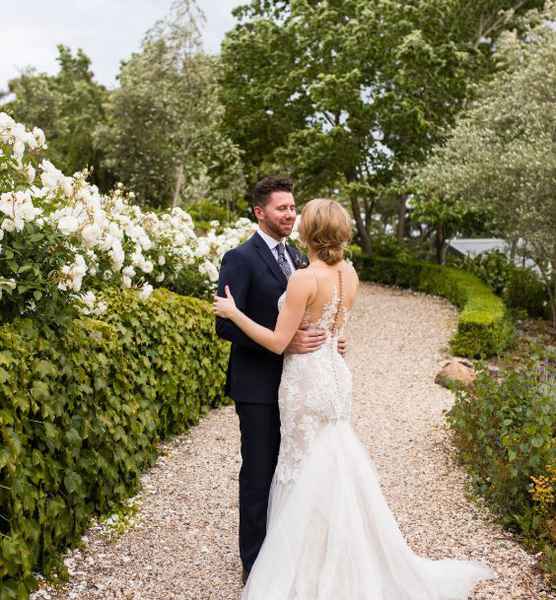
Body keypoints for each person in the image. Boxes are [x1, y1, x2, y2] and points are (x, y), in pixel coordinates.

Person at [214, 198, 496, 599]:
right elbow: (334, 324)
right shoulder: (349, 272)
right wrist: (334, 338)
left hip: (307, 379)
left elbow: (279, 343)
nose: (294, 221)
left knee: (301, 465)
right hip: (333, 374)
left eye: (301, 217)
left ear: (310, 232)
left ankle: (303, 565)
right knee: (333, 462)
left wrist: (233, 312)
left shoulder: (304, 278)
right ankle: (346, 553)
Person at [214, 176, 347, 583]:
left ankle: (289, 554)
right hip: (257, 384)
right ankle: (254, 564)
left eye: (293, 208)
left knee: (295, 470)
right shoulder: (239, 257)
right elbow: (225, 326)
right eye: (281, 208)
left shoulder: (298, 258)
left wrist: (332, 343)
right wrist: (284, 344)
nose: (290, 214)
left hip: (299, 385)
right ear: (260, 212)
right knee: (258, 471)